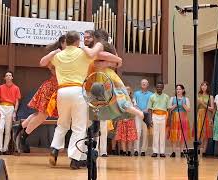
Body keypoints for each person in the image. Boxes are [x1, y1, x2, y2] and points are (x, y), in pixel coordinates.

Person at [40, 31, 117, 169]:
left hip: (62, 91)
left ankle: (55, 149)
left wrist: (52, 53)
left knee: (62, 123)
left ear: (66, 41)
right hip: (77, 91)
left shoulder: (59, 55)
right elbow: (100, 55)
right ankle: (74, 159)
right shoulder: (83, 53)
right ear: (77, 41)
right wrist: (113, 57)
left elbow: (42, 62)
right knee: (79, 127)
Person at [14, 35, 66, 153]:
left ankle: (20, 127)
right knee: (43, 115)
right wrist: (54, 52)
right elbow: (42, 62)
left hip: (58, 88)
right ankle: (24, 136)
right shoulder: (57, 54)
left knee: (39, 114)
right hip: (51, 87)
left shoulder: (69, 55)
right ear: (62, 43)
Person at [0, 71, 21, 155]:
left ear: (12, 77)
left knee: (8, 130)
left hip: (11, 108)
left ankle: (4, 149)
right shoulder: (1, 87)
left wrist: (14, 112)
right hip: (1, 107)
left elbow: (17, 101)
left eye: (10, 75)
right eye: (7, 75)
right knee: (0, 128)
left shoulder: (16, 88)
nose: (9, 77)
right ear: (5, 78)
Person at [148, 82, 170, 158]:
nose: (159, 88)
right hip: (155, 116)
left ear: (163, 88)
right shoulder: (152, 96)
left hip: (164, 116)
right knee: (155, 134)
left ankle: (162, 152)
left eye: (161, 87)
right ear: (156, 88)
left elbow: (168, 109)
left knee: (162, 134)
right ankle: (155, 151)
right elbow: (150, 109)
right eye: (158, 87)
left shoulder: (166, 97)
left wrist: (169, 119)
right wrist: (150, 119)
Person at [168, 84, 191, 158]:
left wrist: (183, 105)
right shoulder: (172, 98)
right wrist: (175, 105)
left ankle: (182, 152)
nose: (178, 91)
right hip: (175, 117)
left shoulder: (186, 99)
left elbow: (189, 110)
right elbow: (169, 109)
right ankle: (173, 152)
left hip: (183, 117)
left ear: (183, 90)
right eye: (177, 89)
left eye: (180, 89)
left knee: (183, 135)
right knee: (174, 135)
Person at [115, 86, 138, 156]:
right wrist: (123, 118)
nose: (127, 91)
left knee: (130, 137)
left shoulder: (133, 100)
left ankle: (129, 151)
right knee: (123, 137)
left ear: (130, 91)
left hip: (130, 120)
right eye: (125, 90)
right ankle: (124, 151)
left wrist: (129, 118)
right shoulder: (120, 99)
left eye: (128, 90)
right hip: (122, 119)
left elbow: (134, 110)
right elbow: (118, 110)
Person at [133, 79, 153, 156]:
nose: (144, 84)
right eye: (142, 83)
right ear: (140, 84)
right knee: (137, 132)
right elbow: (134, 103)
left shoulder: (151, 94)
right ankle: (136, 150)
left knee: (145, 132)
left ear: (147, 85)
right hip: (138, 114)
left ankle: (143, 150)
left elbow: (150, 105)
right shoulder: (136, 93)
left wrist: (145, 110)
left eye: (145, 83)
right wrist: (139, 111)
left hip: (146, 115)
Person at [195, 81, 214, 156]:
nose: (203, 87)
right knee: (199, 134)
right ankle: (199, 150)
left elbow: (212, 108)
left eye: (205, 86)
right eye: (202, 85)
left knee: (206, 134)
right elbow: (197, 107)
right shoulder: (198, 95)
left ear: (208, 87)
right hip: (199, 115)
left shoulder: (210, 96)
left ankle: (204, 151)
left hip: (207, 115)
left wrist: (202, 103)